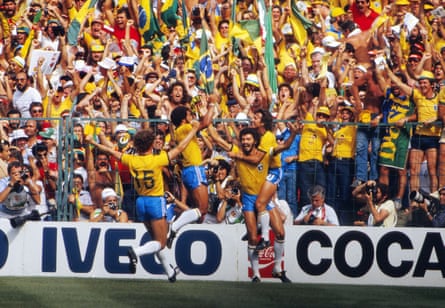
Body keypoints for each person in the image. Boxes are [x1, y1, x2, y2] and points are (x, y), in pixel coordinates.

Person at [85, 121, 200, 282]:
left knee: (155, 240)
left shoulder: (132, 160)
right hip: (155, 201)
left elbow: (110, 151)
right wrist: (194, 130)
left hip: (141, 203)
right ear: (152, 144)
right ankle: (136, 252)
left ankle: (170, 272)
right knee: (161, 242)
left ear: (137, 145)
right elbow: (180, 148)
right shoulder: (158, 159)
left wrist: (92, 142)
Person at [208, 125, 296, 283]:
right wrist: (207, 120)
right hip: (248, 199)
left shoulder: (265, 153)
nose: (245, 142)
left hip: (263, 198)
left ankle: (277, 269)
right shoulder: (236, 149)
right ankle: (256, 274)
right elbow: (216, 138)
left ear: (255, 141)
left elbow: (286, 146)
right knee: (253, 238)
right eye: (243, 139)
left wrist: (294, 132)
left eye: (248, 139)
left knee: (281, 233)